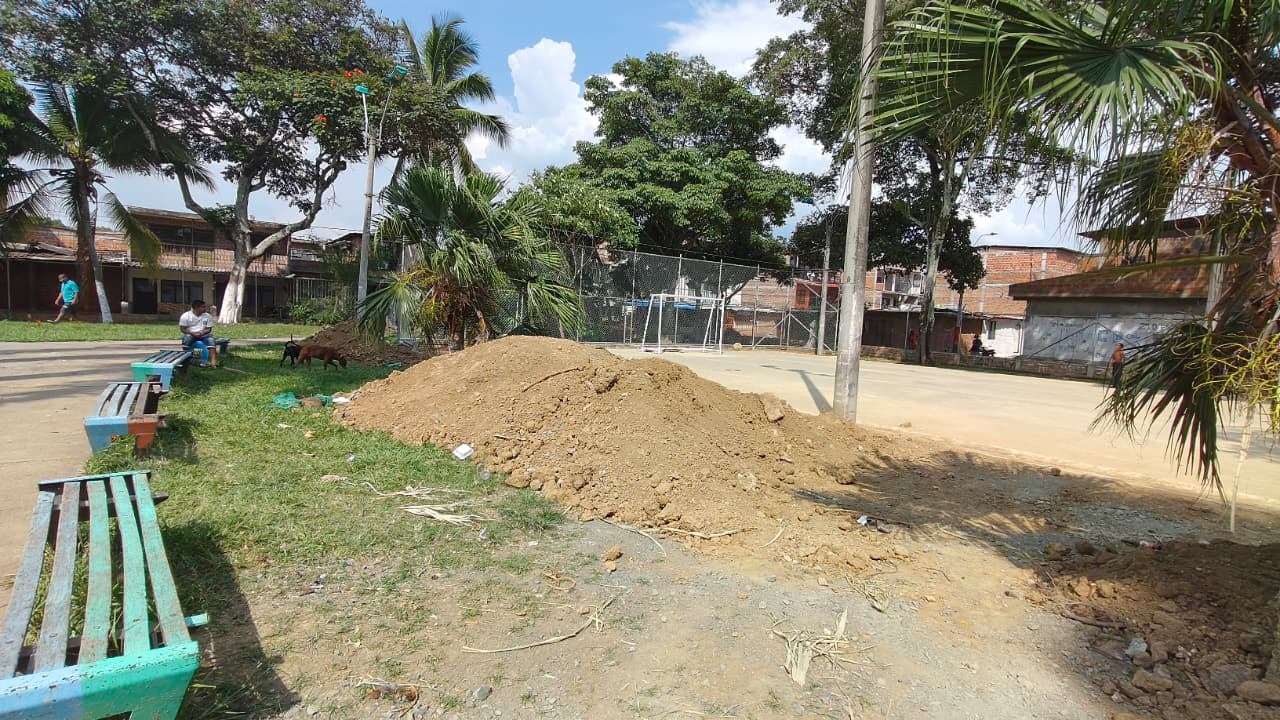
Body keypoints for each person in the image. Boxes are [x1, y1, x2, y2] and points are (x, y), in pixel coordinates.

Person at [179, 300, 219, 367]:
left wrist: (202, 332)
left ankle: (213, 361)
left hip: (203, 334)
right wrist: (192, 333)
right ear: (196, 308)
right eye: (203, 307)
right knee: (187, 339)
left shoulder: (207, 316)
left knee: (211, 340)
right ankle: (186, 358)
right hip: (190, 333)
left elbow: (209, 329)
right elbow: (182, 329)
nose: (205, 309)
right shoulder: (186, 315)